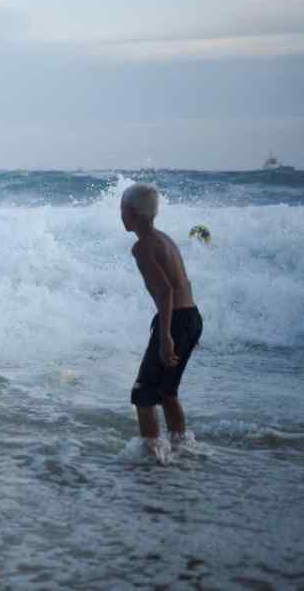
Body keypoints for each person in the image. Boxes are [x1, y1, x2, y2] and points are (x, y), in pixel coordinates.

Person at [121, 183, 203, 460]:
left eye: (122, 210)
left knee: (143, 394)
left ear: (131, 212)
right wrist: (187, 331)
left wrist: (167, 336)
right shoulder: (164, 239)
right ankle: (181, 448)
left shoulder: (143, 247)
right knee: (168, 392)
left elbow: (166, 291)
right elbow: (182, 285)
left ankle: (152, 458)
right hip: (190, 316)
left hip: (175, 319)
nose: (120, 215)